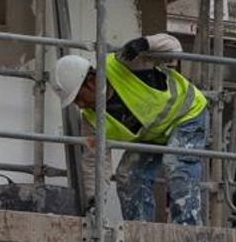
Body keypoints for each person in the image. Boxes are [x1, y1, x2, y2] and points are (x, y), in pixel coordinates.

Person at [52, 34, 209, 225]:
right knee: (128, 175)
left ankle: (188, 232)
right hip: (153, 134)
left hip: (187, 114)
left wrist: (147, 44)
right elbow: (95, 163)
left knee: (176, 164)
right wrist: (94, 202)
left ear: (91, 81)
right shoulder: (91, 121)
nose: (80, 105)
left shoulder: (124, 63)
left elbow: (174, 47)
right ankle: (140, 231)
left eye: (78, 97)